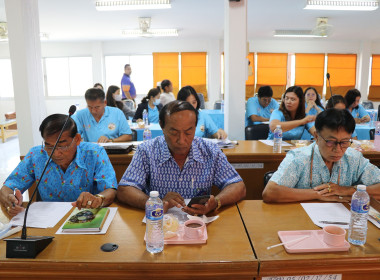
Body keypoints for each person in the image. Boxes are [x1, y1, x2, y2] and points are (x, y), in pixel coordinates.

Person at [117, 101, 246, 215]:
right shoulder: (147, 151)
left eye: (188, 132)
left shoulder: (210, 151)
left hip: (198, 225)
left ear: (195, 127)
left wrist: (216, 202)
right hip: (158, 225)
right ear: (162, 126)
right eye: (174, 132)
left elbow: (237, 185)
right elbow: (125, 189)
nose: (181, 140)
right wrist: (155, 203)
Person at [0, 114, 118, 217]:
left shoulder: (94, 153)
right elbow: (6, 188)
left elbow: (110, 189)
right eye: (49, 146)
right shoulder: (36, 155)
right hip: (47, 221)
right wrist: (10, 200)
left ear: (77, 139)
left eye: (62, 146)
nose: (56, 153)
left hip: (86, 217)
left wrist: (98, 198)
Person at [262, 109, 380, 203]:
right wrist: (317, 194)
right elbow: (270, 192)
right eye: (330, 141)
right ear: (317, 137)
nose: (337, 149)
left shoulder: (354, 158)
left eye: (344, 142)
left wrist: (346, 190)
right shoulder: (299, 158)